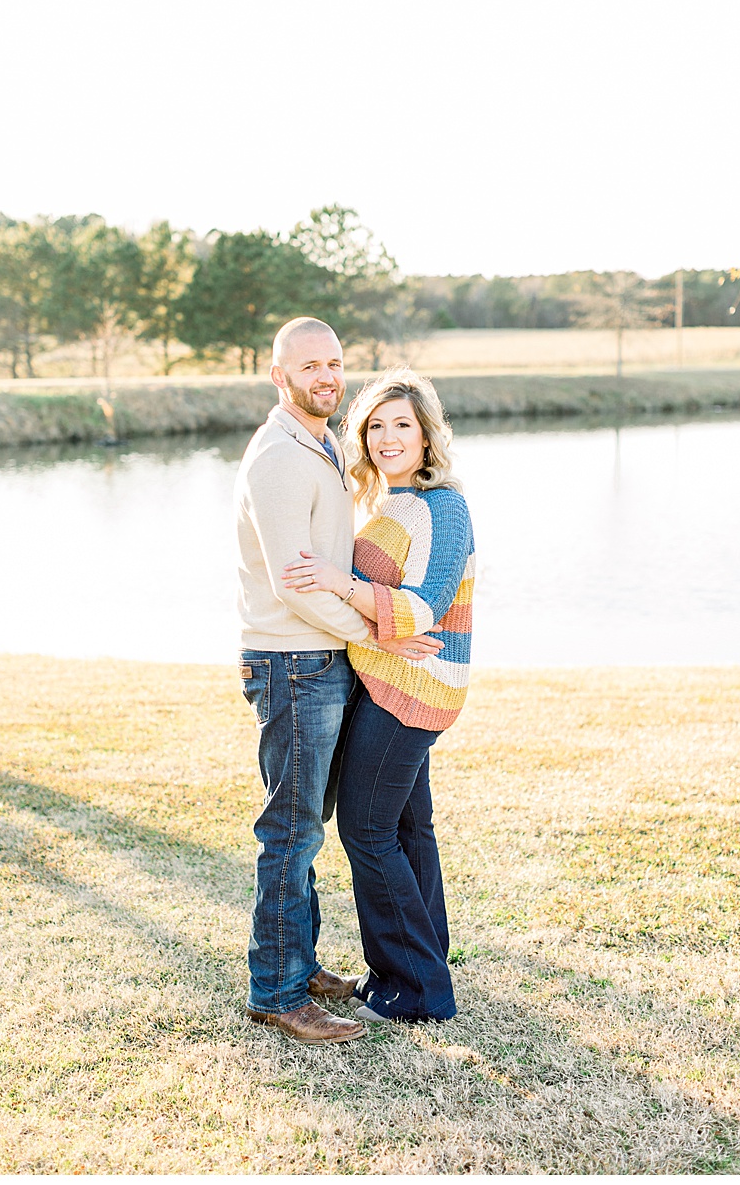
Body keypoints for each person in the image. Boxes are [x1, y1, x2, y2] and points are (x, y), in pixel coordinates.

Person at [236, 318, 443, 1045]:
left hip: (323, 659)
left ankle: (302, 963)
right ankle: (279, 993)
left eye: (334, 363)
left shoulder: (319, 443)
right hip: (294, 661)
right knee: (290, 833)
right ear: (279, 375)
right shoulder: (280, 458)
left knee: (307, 830)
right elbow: (297, 586)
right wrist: (381, 631)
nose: (327, 376)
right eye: (309, 366)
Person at [284, 367, 475, 1024]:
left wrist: (341, 583)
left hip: (415, 690)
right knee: (405, 828)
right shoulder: (383, 504)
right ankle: (423, 966)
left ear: (427, 437)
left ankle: (417, 987)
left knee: (366, 828)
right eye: (376, 426)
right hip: (384, 680)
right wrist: (370, 619)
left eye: (403, 425)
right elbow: (390, 613)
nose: (389, 437)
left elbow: (427, 606)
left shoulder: (443, 506)